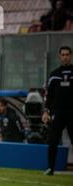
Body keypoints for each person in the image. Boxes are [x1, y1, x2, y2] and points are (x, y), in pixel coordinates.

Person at [43, 45, 73, 176]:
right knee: (53, 140)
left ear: (71, 56)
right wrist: (46, 111)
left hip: (72, 112)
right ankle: (50, 168)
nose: (65, 57)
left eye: (68, 54)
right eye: (63, 55)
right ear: (60, 57)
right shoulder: (54, 75)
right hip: (57, 112)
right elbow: (49, 96)